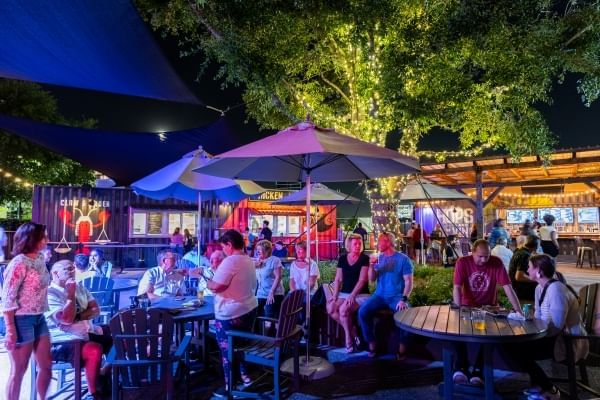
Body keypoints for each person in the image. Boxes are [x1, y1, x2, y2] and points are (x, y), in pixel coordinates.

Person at [506, 254, 584, 400]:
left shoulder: (556, 290)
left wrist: (530, 336)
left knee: (516, 350)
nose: (527, 270)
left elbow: (557, 326)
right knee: (513, 346)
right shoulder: (539, 289)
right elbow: (539, 318)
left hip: (567, 341)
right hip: (550, 336)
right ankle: (539, 385)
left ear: (539, 271)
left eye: (529, 267)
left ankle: (550, 389)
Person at [452, 239, 523, 385]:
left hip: (489, 307)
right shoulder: (463, 262)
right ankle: (460, 367)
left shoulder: (496, 262)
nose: (484, 260)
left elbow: (507, 287)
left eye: (487, 256)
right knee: (456, 333)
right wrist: (458, 307)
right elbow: (457, 287)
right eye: (480, 256)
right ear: (473, 253)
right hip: (468, 306)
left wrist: (518, 310)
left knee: (489, 337)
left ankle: (478, 370)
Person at [203, 230, 258, 397]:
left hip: (231, 313)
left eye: (223, 247)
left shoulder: (231, 261)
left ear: (229, 245)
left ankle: (229, 387)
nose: (224, 250)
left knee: (227, 351)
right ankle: (244, 377)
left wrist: (206, 279)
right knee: (240, 345)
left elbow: (216, 286)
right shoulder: (248, 259)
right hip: (248, 309)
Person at [1, 222, 52, 400]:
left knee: (46, 365)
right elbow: (7, 299)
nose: (46, 240)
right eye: (43, 237)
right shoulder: (18, 263)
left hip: (39, 316)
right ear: (31, 239)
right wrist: (10, 330)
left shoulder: (39, 258)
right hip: (20, 319)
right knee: (19, 371)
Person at [46, 260, 111, 399]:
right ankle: (94, 393)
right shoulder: (49, 294)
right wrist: (70, 295)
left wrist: (77, 316)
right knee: (94, 349)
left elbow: (95, 310)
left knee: (119, 337)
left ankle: (103, 373)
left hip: (84, 333)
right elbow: (66, 319)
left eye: (73, 268)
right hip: (60, 341)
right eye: (68, 269)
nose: (73, 271)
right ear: (55, 273)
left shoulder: (80, 287)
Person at [358, 232, 413, 359]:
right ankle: (372, 344)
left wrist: (404, 299)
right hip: (379, 295)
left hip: (397, 297)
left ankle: (402, 349)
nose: (378, 243)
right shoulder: (379, 258)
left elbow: (408, 282)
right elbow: (372, 279)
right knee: (362, 312)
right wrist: (371, 265)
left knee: (408, 316)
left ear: (388, 242)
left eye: (380, 241)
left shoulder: (403, 259)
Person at [327, 233, 370, 353]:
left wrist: (352, 295)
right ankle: (352, 332)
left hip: (360, 294)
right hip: (344, 293)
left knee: (343, 310)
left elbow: (362, 280)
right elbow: (338, 279)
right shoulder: (342, 258)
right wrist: (335, 295)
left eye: (359, 244)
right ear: (349, 245)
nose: (358, 246)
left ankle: (348, 339)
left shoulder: (364, 258)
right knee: (330, 308)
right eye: (355, 244)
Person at [254, 240, 285, 319]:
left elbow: (278, 277)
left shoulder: (274, 260)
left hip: (274, 293)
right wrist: (255, 266)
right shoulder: (258, 261)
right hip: (261, 293)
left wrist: (271, 292)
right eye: (257, 250)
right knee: (256, 315)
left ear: (267, 250)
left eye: (259, 250)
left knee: (269, 316)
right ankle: (259, 331)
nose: (257, 252)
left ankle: (272, 330)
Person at [509, 235, 539, 301]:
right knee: (542, 285)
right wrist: (536, 280)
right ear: (535, 247)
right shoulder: (525, 255)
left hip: (514, 286)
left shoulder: (518, 251)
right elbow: (519, 277)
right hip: (519, 289)